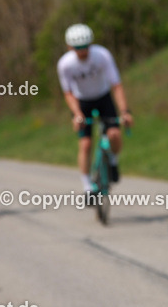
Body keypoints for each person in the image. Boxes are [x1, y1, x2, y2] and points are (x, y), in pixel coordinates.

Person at [57, 23, 133, 193]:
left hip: (103, 97)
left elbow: (116, 85)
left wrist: (125, 111)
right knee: (85, 144)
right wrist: (77, 114)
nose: (82, 52)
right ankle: (87, 187)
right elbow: (68, 92)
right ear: (70, 47)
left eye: (86, 47)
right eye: (78, 48)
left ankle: (113, 161)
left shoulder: (102, 55)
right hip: (82, 101)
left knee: (114, 134)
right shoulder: (65, 64)